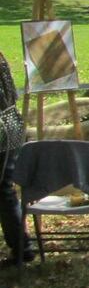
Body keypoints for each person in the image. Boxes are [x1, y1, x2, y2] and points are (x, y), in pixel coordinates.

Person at [0, 52, 35, 267]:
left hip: (4, 128)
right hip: (10, 125)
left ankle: (22, 248)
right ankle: (21, 247)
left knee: (4, 190)